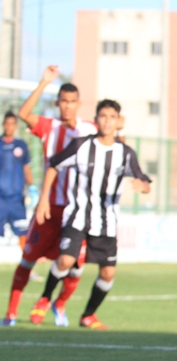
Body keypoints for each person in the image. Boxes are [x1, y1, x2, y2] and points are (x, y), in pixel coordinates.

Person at [33, 99, 151, 330]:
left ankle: (88, 315)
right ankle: (45, 297)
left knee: (108, 274)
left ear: (118, 122)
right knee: (66, 260)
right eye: (103, 116)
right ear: (96, 119)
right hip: (77, 216)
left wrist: (143, 186)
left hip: (105, 223)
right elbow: (54, 165)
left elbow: (143, 178)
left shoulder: (125, 153)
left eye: (112, 117)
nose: (107, 121)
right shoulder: (81, 145)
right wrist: (43, 199)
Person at [1, 66, 97, 327]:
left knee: (75, 265)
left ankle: (58, 304)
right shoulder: (48, 126)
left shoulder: (90, 129)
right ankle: (10, 313)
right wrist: (44, 82)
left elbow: (111, 138)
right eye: (63, 102)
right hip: (49, 208)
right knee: (28, 259)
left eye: (72, 102)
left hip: (76, 212)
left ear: (78, 104)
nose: (67, 106)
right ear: (57, 104)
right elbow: (23, 114)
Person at [0, 112, 34, 252]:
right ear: (3, 125)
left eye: (12, 124)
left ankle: (27, 268)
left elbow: (26, 168)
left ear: (15, 126)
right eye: (6, 123)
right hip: (0, 198)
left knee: (23, 232)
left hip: (17, 198)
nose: (9, 127)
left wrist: (32, 188)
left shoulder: (21, 145)